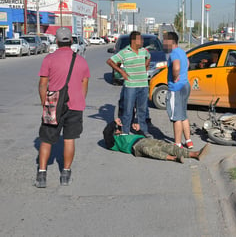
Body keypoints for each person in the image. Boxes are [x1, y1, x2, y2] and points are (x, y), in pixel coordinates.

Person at [35, 27, 90, 188]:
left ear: (56, 41)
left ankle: (42, 175)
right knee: (69, 140)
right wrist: (79, 99)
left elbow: (43, 84)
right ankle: (65, 174)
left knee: (46, 140)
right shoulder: (81, 60)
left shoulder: (49, 59)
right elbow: (84, 84)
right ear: (71, 41)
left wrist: (44, 103)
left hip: (53, 104)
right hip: (75, 106)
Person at [106, 31, 151, 137]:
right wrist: (122, 72)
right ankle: (125, 131)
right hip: (131, 86)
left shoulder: (143, 51)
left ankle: (143, 131)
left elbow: (148, 57)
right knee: (128, 110)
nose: (142, 41)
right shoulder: (124, 52)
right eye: (140, 39)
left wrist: (146, 66)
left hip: (143, 85)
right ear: (133, 40)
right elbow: (110, 61)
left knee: (142, 110)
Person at [103, 119, 209, 163]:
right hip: (136, 147)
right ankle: (172, 158)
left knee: (165, 145)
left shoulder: (125, 134)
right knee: (149, 150)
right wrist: (113, 123)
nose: (118, 130)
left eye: (117, 129)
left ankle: (194, 154)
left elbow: (142, 136)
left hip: (143, 139)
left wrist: (138, 130)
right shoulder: (113, 143)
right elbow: (106, 133)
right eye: (116, 129)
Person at [163, 31, 193, 149]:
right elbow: (188, 63)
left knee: (176, 117)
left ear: (171, 42)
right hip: (185, 85)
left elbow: (176, 67)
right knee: (183, 115)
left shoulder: (174, 53)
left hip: (177, 88)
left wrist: (175, 77)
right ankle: (189, 141)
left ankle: (177, 144)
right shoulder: (182, 52)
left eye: (165, 41)